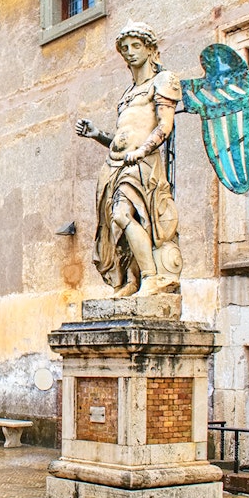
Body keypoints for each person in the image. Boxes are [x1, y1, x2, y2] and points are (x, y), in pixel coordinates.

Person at [75, 21, 182, 297]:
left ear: (150, 49)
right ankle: (131, 281)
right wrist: (97, 134)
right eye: (125, 48)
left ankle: (152, 277)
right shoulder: (127, 94)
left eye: (136, 46)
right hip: (116, 165)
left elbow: (164, 127)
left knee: (123, 215)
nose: (130, 52)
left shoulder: (164, 81)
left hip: (142, 165)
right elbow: (122, 138)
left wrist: (143, 151)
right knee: (116, 226)